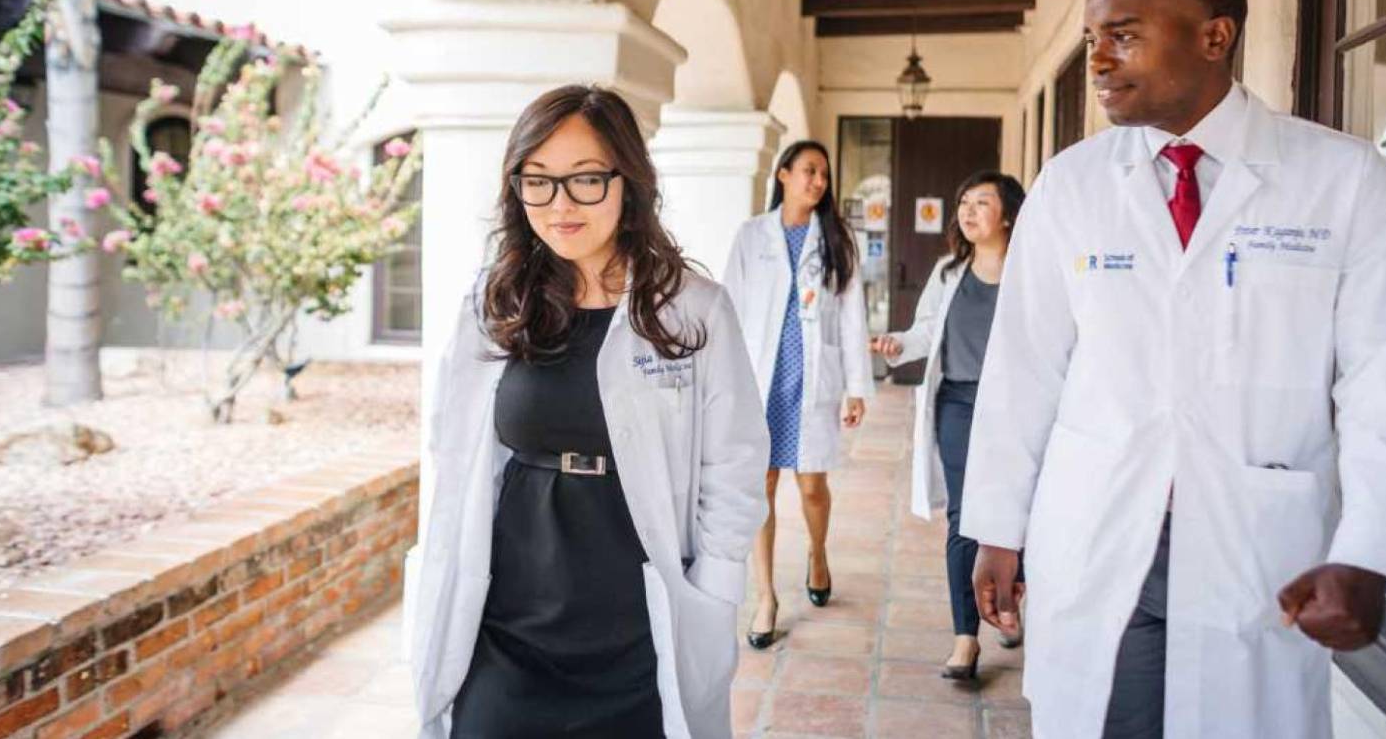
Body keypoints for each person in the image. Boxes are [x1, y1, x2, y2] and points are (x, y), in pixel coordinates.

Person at [960, 0, 1386, 738]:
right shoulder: (1072, 186)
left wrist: (1370, 547)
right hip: (1101, 527)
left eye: (1123, 34)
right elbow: (1024, 370)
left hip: (1254, 541)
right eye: (1090, 42)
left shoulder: (1341, 180)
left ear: (1213, 37)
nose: (1099, 60)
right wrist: (998, 528)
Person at [406, 86, 769, 739]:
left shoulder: (692, 309)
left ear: (628, 181)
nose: (560, 205)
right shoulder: (494, 303)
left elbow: (736, 466)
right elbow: (453, 450)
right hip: (506, 616)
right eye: (537, 182)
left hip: (636, 621)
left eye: (586, 180)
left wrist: (712, 590)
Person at [871, 170, 1026, 680]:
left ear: (1007, 215)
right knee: (965, 515)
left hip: (1015, 406)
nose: (968, 209)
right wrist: (897, 343)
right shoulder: (947, 271)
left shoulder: (1032, 271)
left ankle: (1006, 603)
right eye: (964, 201)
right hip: (957, 402)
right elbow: (923, 334)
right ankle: (965, 638)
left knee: (1017, 512)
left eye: (982, 202)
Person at [723, 139, 875, 649]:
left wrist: (857, 386)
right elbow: (729, 310)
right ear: (783, 174)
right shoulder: (751, 236)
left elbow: (852, 315)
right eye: (809, 170)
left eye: (824, 175)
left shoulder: (837, 238)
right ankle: (765, 597)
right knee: (761, 486)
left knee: (811, 485)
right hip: (759, 380)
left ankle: (817, 551)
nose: (817, 182)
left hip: (812, 377)